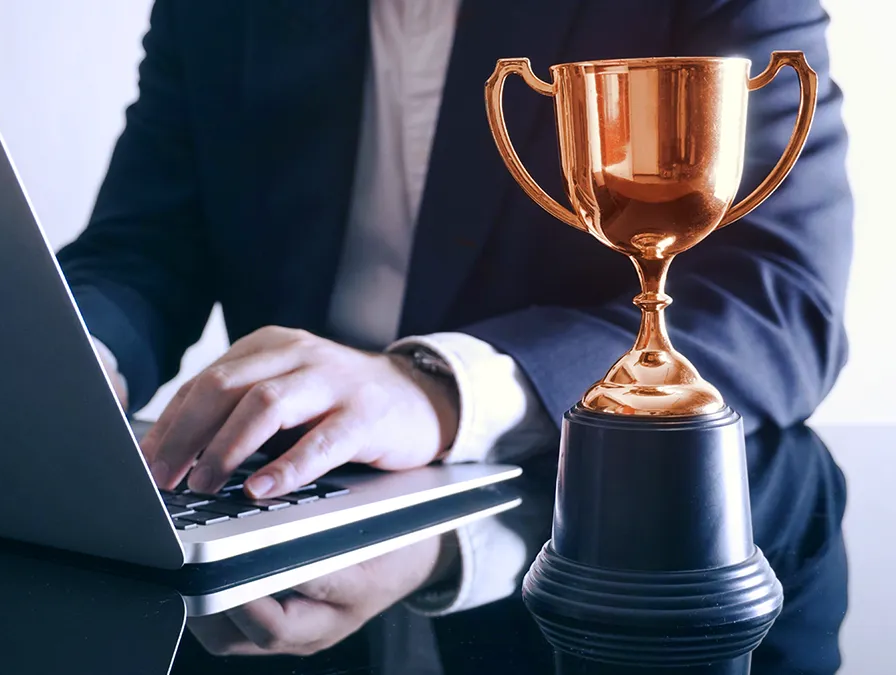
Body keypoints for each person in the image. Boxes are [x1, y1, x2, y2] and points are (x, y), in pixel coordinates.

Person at [57, 0, 852, 618]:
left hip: (574, 554)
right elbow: (145, 243)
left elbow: (781, 296)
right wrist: (72, 349)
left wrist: (438, 388)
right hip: (275, 534)